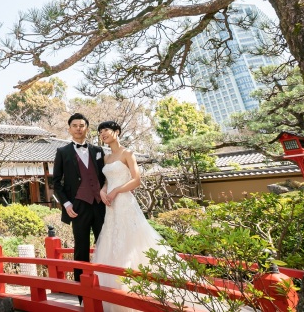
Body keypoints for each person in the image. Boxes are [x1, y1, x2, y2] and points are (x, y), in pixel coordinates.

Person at [92, 121, 217, 312]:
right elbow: (106, 182)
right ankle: (114, 294)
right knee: (112, 240)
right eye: (100, 132)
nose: (103, 134)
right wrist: (103, 191)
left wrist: (116, 190)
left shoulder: (128, 153)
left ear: (117, 132)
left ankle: (141, 292)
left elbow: (136, 180)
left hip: (125, 202)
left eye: (106, 130)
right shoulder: (106, 157)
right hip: (111, 206)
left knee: (133, 241)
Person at [51, 113, 106, 285]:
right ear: (69, 129)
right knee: (81, 248)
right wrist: (66, 204)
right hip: (77, 206)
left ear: (87, 129)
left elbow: (104, 177)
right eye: (75, 125)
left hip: (99, 205)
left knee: (104, 244)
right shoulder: (62, 152)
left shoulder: (98, 151)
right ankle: (82, 291)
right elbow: (56, 182)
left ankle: (105, 283)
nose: (78, 128)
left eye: (82, 125)